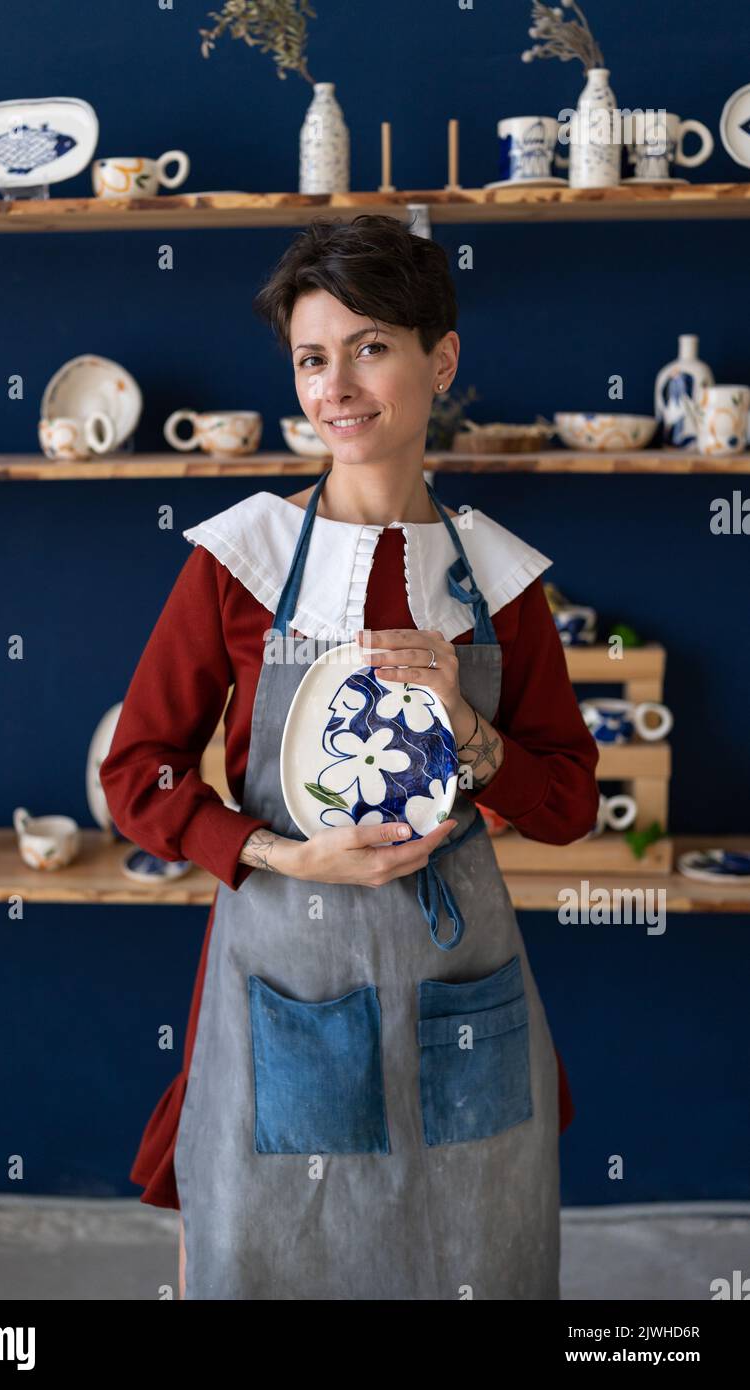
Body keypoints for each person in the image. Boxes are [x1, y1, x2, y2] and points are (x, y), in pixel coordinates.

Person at [100, 214, 600, 1300]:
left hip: (458, 982)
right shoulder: (242, 559)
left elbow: (566, 802)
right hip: (286, 973)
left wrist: (470, 736)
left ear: (441, 358)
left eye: (370, 346)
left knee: (471, 1254)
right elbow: (138, 769)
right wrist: (282, 856)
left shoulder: (501, 584)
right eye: (312, 358)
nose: (337, 385)